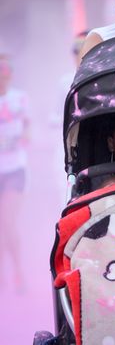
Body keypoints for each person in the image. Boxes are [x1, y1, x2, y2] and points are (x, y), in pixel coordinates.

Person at [0, 54, 29, 291]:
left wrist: (21, 137)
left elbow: (29, 128)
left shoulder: (19, 99)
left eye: (5, 72)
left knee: (8, 222)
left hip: (14, 169)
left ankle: (19, 272)